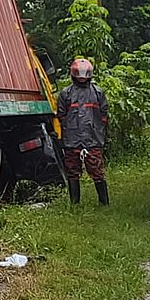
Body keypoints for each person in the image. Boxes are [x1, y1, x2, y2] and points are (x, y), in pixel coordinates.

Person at [56, 57, 110, 206]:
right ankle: (75, 203)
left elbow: (104, 115)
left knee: (97, 172)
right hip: (72, 140)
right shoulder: (65, 94)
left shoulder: (98, 93)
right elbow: (61, 115)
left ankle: (104, 203)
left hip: (92, 140)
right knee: (73, 173)